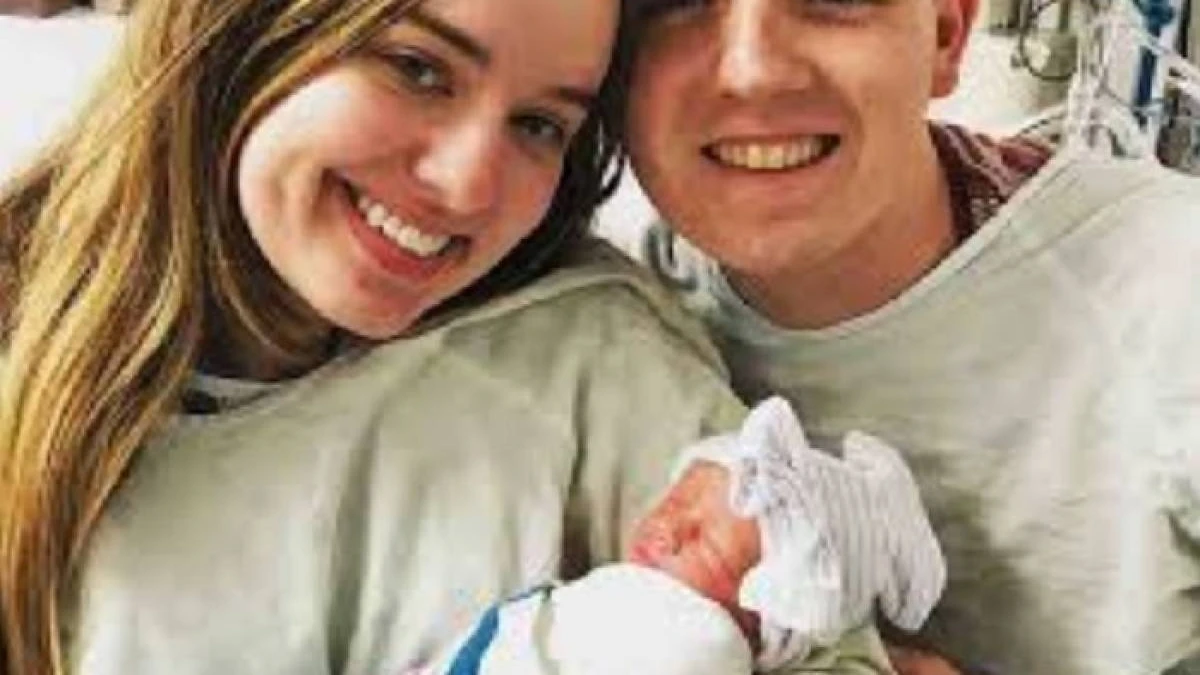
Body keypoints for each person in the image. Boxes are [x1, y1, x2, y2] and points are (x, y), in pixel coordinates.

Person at [0, 0, 765, 673]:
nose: (468, 184)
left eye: (538, 125)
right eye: (417, 69)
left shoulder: (597, 365)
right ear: (244, 26)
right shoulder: (25, 361)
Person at [617, 0, 1200, 673]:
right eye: (669, 3)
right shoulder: (605, 325)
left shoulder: (1167, 294)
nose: (753, 71)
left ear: (947, 34)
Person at [413, 397, 945, 675]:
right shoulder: (632, 601)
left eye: (705, 543)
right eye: (674, 504)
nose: (666, 530)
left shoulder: (700, 640)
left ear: (770, 618)